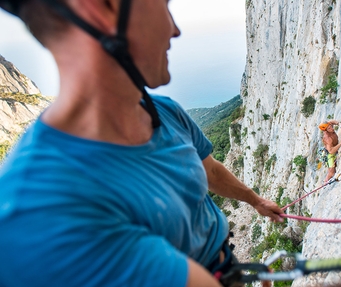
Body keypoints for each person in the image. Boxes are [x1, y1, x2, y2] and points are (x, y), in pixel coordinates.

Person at [0, 1, 283, 286]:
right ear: (98, 8)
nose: (175, 30)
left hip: (225, 262)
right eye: (164, 4)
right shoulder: (40, 210)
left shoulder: (164, 112)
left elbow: (208, 171)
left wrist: (255, 201)